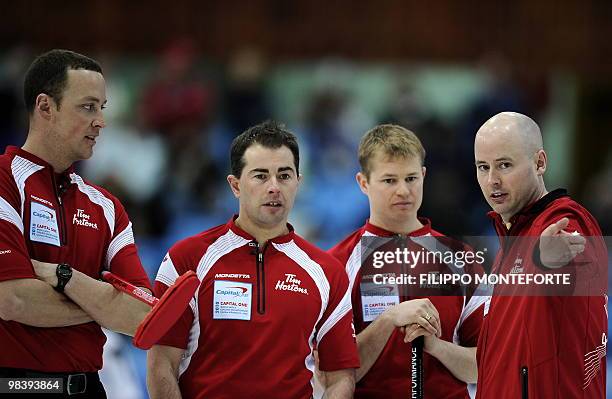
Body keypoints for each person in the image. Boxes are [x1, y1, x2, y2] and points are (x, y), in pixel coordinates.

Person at [147, 121, 359, 399]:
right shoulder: (187, 259)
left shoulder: (327, 272)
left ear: (299, 182)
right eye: (260, 176)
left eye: (284, 176)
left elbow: (340, 377)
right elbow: (161, 362)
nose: (274, 187)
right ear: (235, 185)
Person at [0, 49, 153, 397]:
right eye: (88, 107)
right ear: (45, 107)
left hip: (91, 388)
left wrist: (62, 277)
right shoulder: (4, 181)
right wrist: (103, 305)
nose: (100, 121)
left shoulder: (107, 207)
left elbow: (143, 316)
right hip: (20, 388)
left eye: (102, 107)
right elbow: (12, 300)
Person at [328, 124, 485, 398]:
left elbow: (484, 366)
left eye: (411, 178)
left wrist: (436, 347)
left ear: (424, 175)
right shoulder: (337, 264)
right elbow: (330, 374)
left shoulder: (462, 259)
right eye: (389, 180)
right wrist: (388, 319)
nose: (403, 191)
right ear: (363, 183)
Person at [473, 112, 607, 398]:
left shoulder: (567, 223)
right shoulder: (513, 237)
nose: (492, 180)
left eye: (504, 165)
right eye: (482, 167)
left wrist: (544, 262)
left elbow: (568, 265)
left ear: (540, 163)